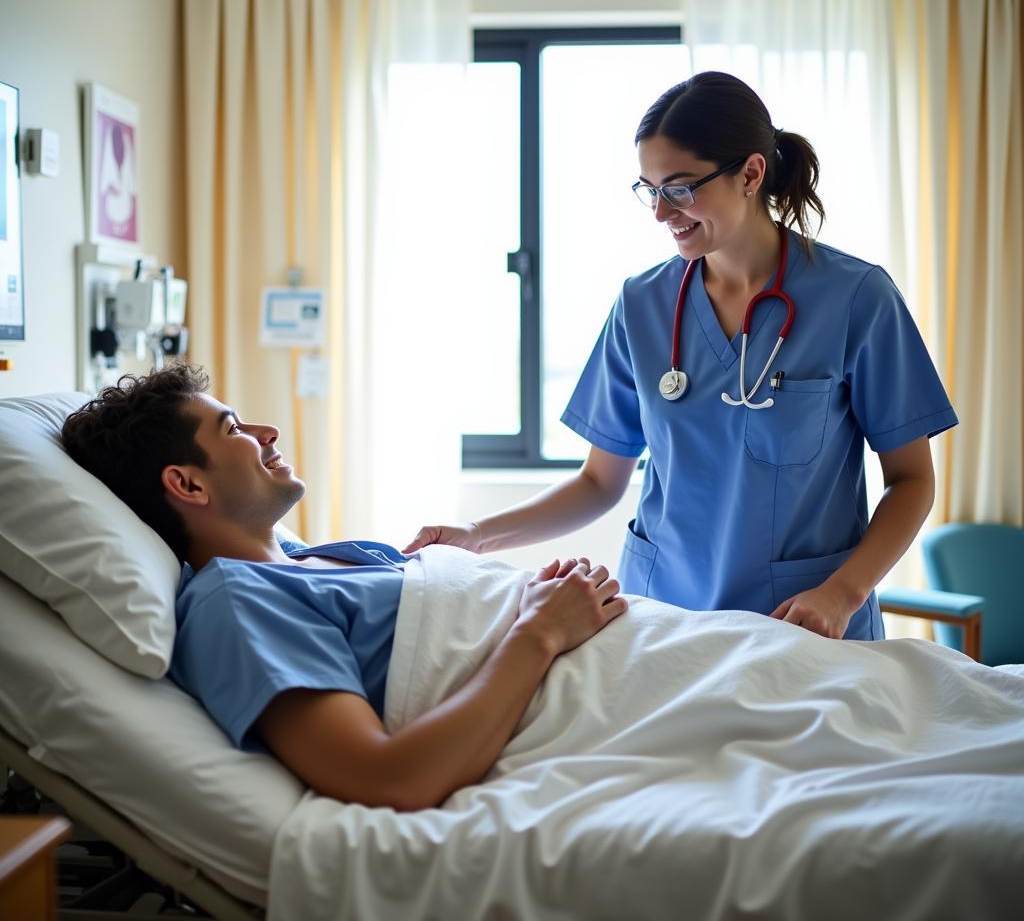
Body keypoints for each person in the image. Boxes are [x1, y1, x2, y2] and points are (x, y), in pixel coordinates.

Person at [405, 71, 958, 642]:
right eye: (649, 189)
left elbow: (912, 479)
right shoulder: (642, 304)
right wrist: (473, 534)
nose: (661, 212)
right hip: (663, 622)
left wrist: (843, 593)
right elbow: (598, 483)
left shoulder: (856, 298)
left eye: (680, 187)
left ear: (750, 173)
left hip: (804, 623)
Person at [60, 364, 627, 812]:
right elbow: (389, 778)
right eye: (233, 428)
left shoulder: (312, 558)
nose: (268, 432)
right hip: (608, 709)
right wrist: (540, 631)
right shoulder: (236, 602)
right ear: (187, 483)